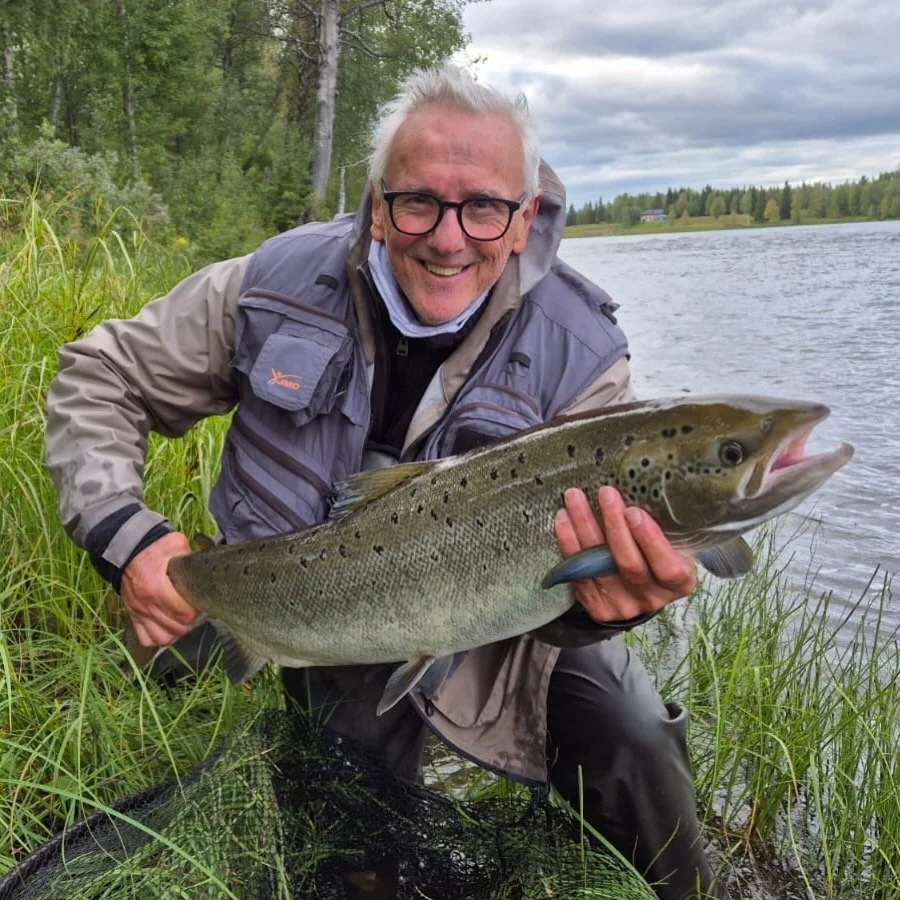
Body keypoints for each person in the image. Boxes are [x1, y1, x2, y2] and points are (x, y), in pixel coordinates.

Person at [46, 65, 725, 899]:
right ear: (377, 203)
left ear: (523, 221)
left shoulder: (582, 356)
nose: (448, 237)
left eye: (483, 207)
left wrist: (601, 604)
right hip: (312, 603)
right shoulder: (274, 285)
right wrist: (128, 537)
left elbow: (583, 584)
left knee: (633, 734)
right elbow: (100, 375)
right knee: (351, 827)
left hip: (497, 627)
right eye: (419, 203)